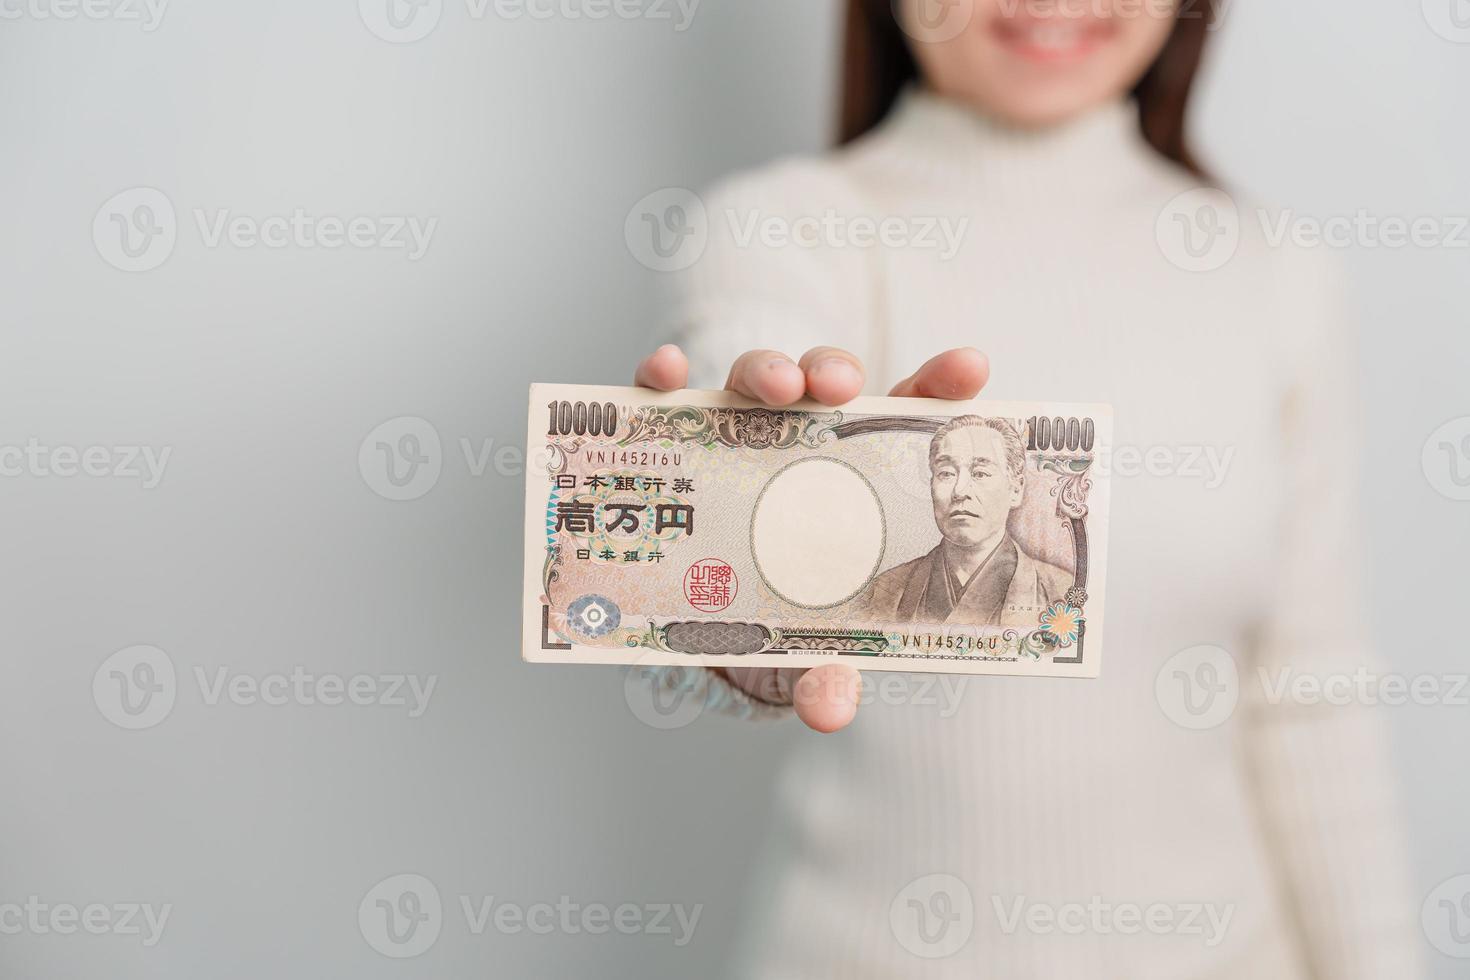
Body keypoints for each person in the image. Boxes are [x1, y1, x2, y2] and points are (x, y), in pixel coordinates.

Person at [630, 1, 1423, 975]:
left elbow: (1312, 694)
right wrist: (743, 469)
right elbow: (755, 344)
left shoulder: (1279, 273)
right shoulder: (788, 228)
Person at [857, 414, 1073, 626]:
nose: (960, 491)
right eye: (946, 473)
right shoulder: (882, 593)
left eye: (980, 473)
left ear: (1016, 489)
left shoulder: (1062, 592)